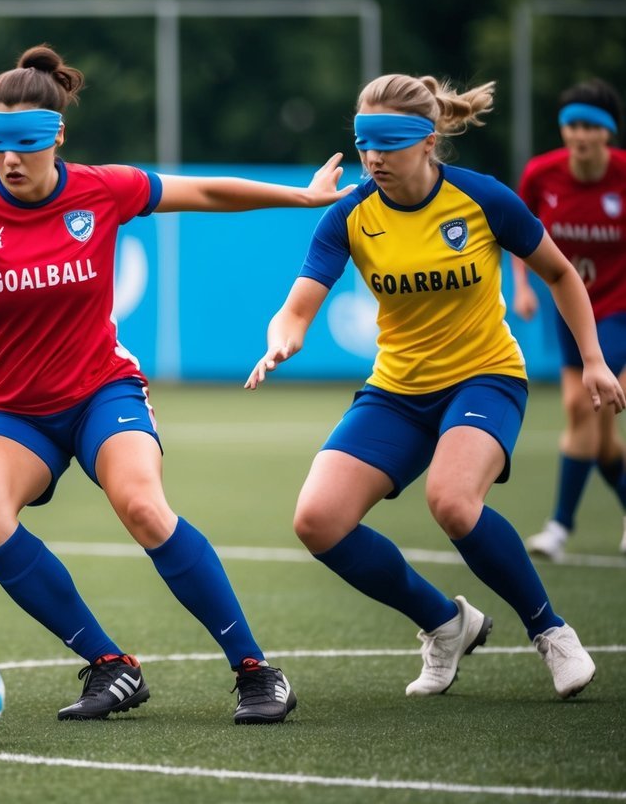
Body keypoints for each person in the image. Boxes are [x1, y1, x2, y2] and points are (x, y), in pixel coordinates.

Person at [0, 44, 354, 725]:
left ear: (56, 134)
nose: (9, 158)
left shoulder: (100, 190)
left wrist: (298, 196)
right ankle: (110, 666)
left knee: (142, 505)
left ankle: (256, 671)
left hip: (101, 392)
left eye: (24, 141)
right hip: (16, 411)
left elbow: (201, 192)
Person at [245, 73, 623, 700]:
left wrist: (593, 359)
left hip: (486, 377)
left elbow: (560, 274)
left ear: (427, 142)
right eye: (365, 142)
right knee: (317, 521)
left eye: (388, 143)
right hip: (398, 390)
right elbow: (296, 306)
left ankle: (550, 632)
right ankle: (445, 623)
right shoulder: (351, 215)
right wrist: (282, 336)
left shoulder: (482, 199)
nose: (373, 157)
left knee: (452, 501)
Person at [510, 79, 626, 560]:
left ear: (607, 133)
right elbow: (518, 230)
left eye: (589, 126)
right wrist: (520, 287)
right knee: (594, 426)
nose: (578, 134)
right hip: (569, 310)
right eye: (571, 125)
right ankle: (566, 524)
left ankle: (558, 527)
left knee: (587, 407)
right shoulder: (542, 175)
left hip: (620, 307)